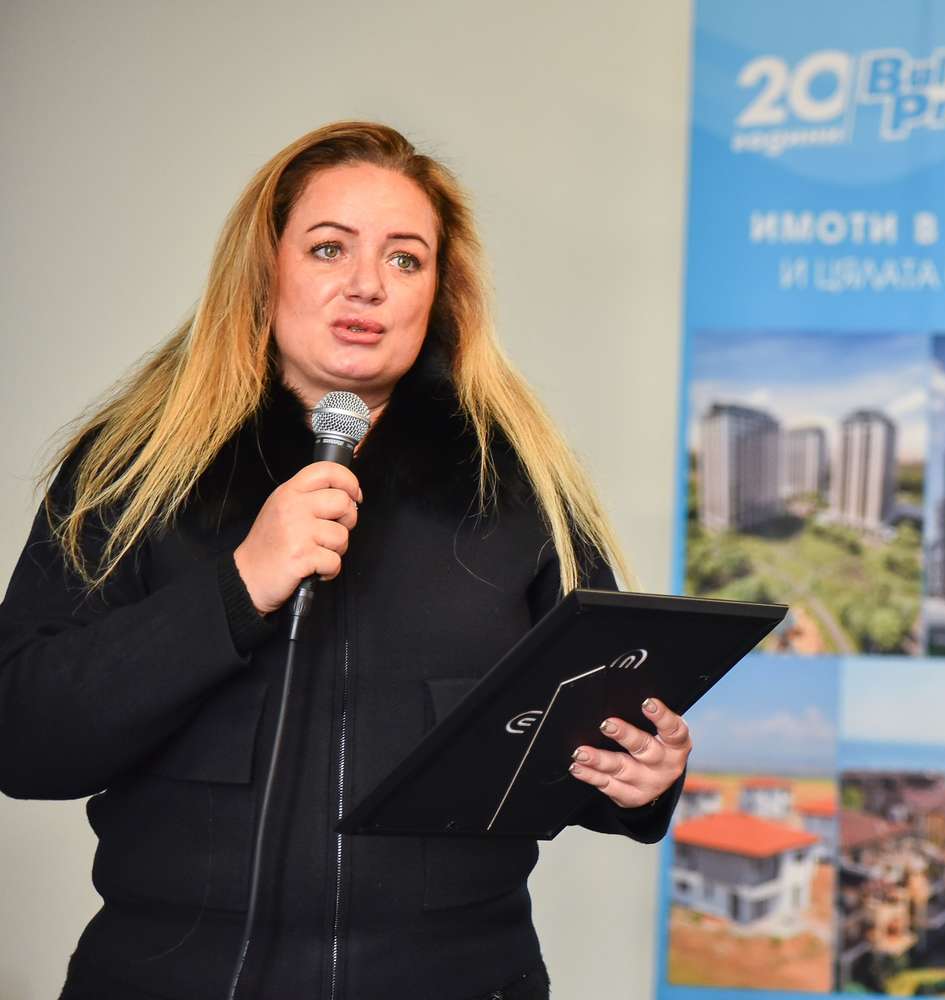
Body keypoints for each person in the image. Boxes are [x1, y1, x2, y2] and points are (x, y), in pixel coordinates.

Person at [0, 121, 690, 1000]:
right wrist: (238, 587)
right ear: (265, 271)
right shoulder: (131, 469)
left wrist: (640, 780)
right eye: (329, 248)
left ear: (439, 293)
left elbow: (580, 729)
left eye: (406, 259)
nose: (368, 283)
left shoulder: (522, 483)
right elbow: (23, 740)